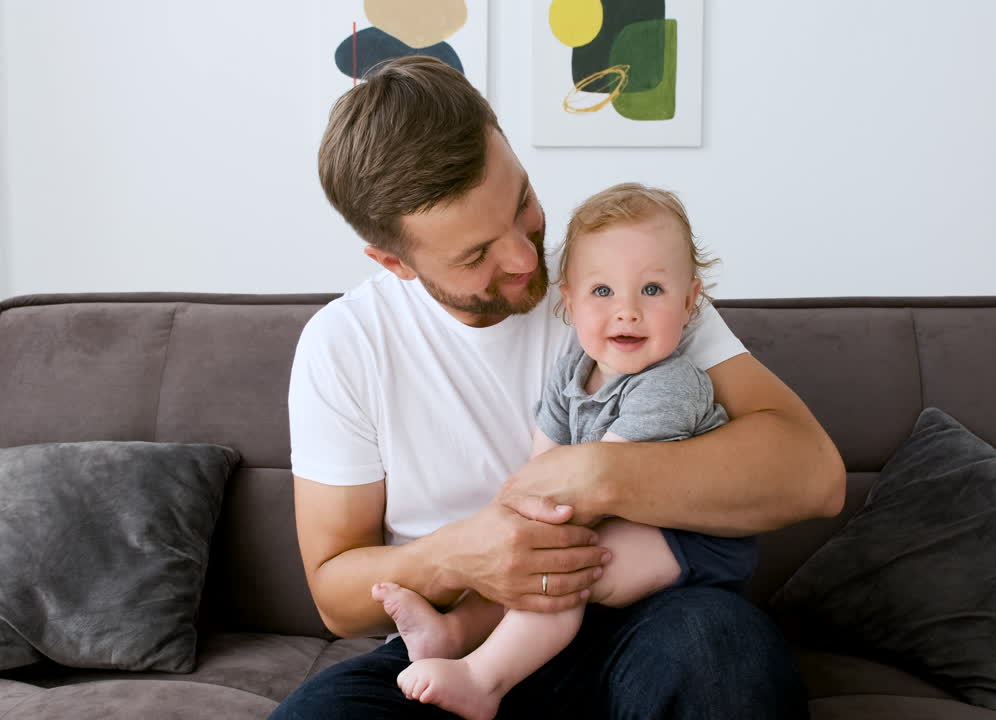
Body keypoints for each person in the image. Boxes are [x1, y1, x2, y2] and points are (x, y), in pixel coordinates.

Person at [271, 55, 845, 720]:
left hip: (644, 620)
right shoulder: (344, 345)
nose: (521, 258)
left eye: (522, 205)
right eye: (475, 254)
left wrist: (602, 474)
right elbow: (335, 594)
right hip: (462, 646)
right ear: (395, 261)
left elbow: (814, 475)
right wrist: (458, 556)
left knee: (720, 652)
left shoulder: (624, 289)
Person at [371, 182, 763, 720]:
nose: (627, 312)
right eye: (603, 292)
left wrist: (533, 526)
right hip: (618, 516)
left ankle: (484, 680)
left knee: (564, 569)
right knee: (535, 552)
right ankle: (453, 631)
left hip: (691, 542)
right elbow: (544, 464)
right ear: (569, 300)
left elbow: (598, 482)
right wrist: (514, 523)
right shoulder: (573, 370)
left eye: (652, 291)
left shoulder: (674, 385)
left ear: (690, 301)